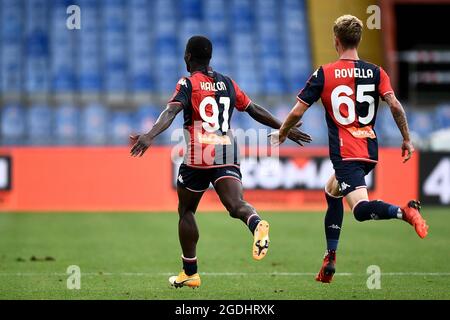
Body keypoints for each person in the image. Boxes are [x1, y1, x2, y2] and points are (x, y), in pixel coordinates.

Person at [130, 35, 312, 288]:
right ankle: (257, 223)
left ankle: (190, 272)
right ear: (210, 57)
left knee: (186, 210)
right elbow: (254, 109)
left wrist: (150, 135)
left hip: (198, 154)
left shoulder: (188, 82)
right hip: (226, 150)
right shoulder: (227, 83)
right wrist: (285, 128)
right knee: (236, 204)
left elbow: (171, 111)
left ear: (188, 57)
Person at [273, 15, 428, 283]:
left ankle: (405, 212)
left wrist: (283, 132)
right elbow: (395, 105)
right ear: (358, 40)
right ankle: (330, 258)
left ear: (336, 41)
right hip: (368, 148)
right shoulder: (377, 72)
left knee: (359, 210)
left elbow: (298, 110)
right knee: (331, 191)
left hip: (346, 153)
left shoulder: (324, 73)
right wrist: (406, 138)